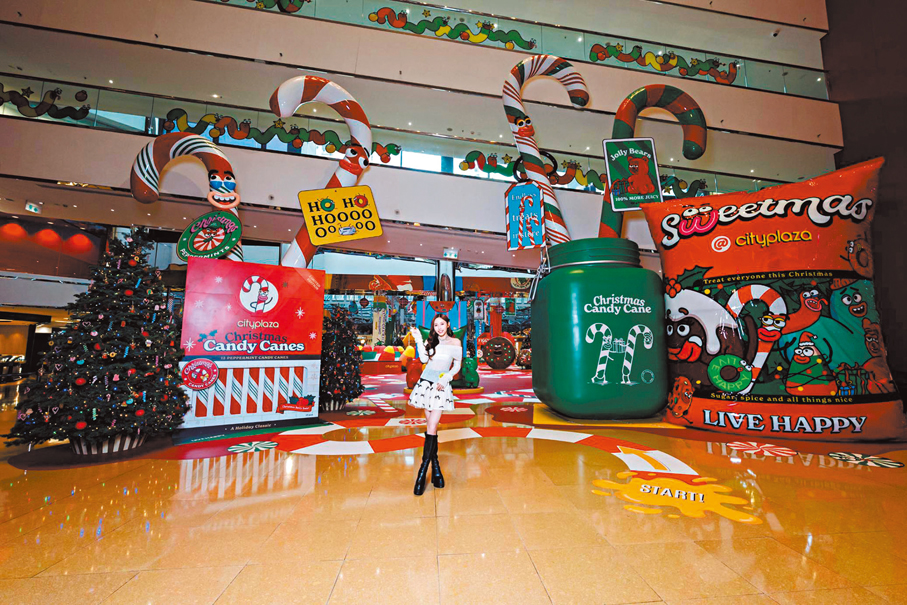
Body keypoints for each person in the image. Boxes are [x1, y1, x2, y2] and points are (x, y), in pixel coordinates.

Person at [408, 314, 462, 496]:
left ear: (448, 324)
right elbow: (424, 360)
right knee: (431, 429)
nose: (439, 327)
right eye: (436, 325)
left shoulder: (455, 343)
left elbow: (456, 366)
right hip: (425, 385)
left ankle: (422, 473)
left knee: (432, 426)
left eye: (442, 324)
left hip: (440, 386)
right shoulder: (430, 341)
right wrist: (418, 339)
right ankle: (436, 468)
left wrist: (447, 377)